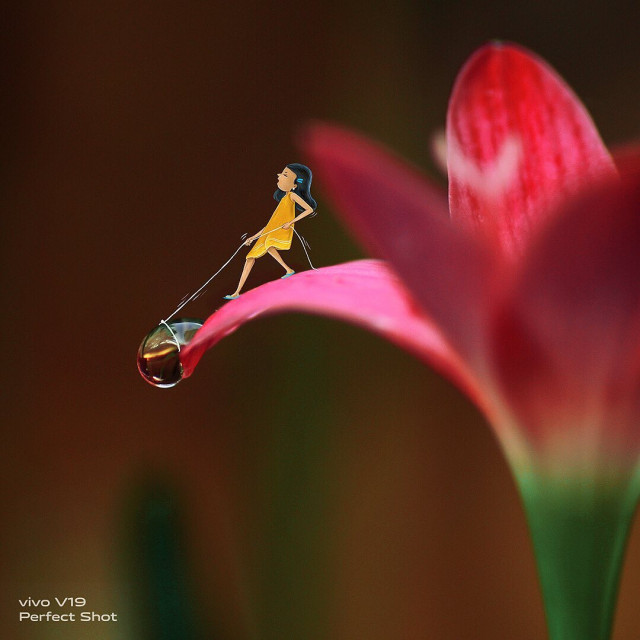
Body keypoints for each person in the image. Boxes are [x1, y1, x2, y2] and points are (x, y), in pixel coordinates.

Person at [224, 163, 317, 299]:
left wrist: (291, 222)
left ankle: (288, 269)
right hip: (271, 231)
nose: (279, 176)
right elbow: (268, 226)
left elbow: (309, 209)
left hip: (282, 230)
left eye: (285, 175)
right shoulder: (283, 199)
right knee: (250, 258)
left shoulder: (291, 196)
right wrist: (252, 238)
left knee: (269, 245)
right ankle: (237, 292)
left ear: (295, 185)